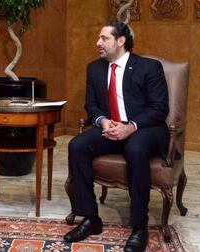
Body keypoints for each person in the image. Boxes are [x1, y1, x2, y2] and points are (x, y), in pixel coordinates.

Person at [63, 21, 169, 252]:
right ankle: (91, 218)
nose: (98, 43)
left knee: (135, 149)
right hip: (110, 127)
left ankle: (139, 227)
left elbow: (160, 109)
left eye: (104, 38)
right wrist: (102, 120)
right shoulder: (95, 68)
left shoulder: (149, 67)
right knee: (77, 145)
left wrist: (131, 126)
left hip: (144, 129)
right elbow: (90, 104)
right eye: (99, 38)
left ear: (121, 41)